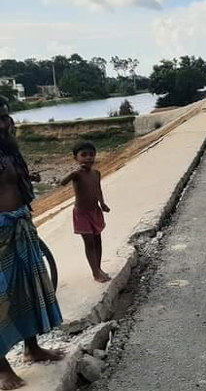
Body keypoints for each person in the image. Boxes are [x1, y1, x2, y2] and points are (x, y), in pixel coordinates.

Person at [0, 98, 64, 390]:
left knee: (29, 287)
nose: (2, 124)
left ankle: (32, 348)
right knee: (1, 300)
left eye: (4, 117)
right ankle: (3, 370)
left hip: (21, 225)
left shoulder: (10, 151)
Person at [60, 142, 111, 283]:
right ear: (76, 158)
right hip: (81, 213)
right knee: (89, 243)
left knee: (97, 240)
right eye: (84, 155)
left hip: (95, 211)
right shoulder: (77, 174)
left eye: (91, 154)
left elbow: (98, 189)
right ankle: (95, 273)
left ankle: (98, 268)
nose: (88, 158)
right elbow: (62, 182)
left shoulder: (96, 173)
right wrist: (72, 172)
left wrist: (102, 203)